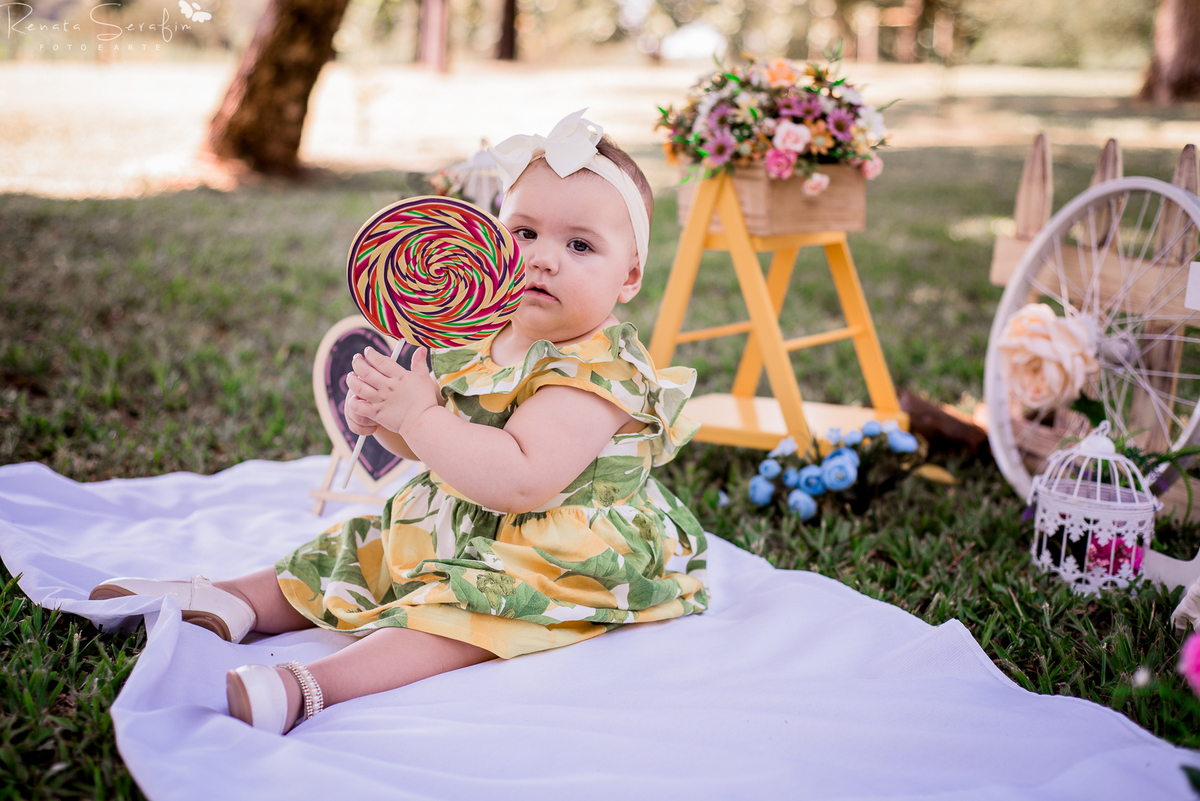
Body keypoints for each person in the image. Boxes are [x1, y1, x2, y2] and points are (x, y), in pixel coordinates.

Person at [90, 110, 709, 735]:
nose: (542, 260)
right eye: (523, 234)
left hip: (562, 550)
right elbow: (433, 447)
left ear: (628, 276)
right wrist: (386, 419)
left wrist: (419, 414)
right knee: (360, 548)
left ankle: (314, 685)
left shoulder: (600, 370)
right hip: (461, 514)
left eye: (579, 245)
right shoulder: (475, 334)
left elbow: (521, 480)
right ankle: (234, 597)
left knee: (468, 608)